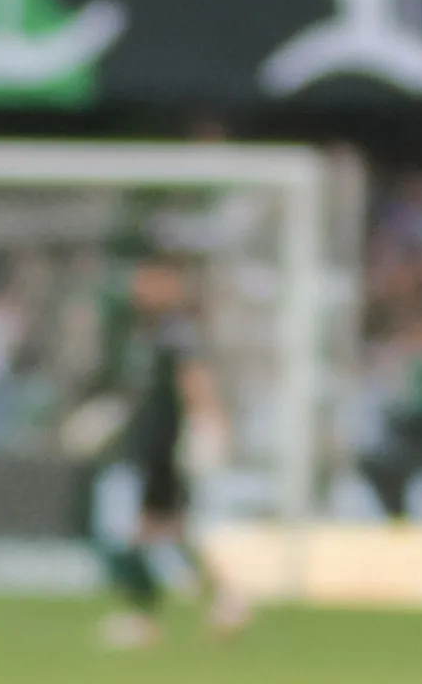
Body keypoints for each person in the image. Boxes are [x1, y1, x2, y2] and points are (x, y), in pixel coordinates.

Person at [94, 255, 248, 647]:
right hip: (146, 447)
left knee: (130, 528)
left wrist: (211, 423)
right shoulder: (143, 331)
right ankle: (221, 598)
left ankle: (147, 614)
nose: (139, 287)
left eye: (149, 279)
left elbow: (194, 378)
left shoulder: (176, 332)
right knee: (162, 531)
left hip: (163, 449)